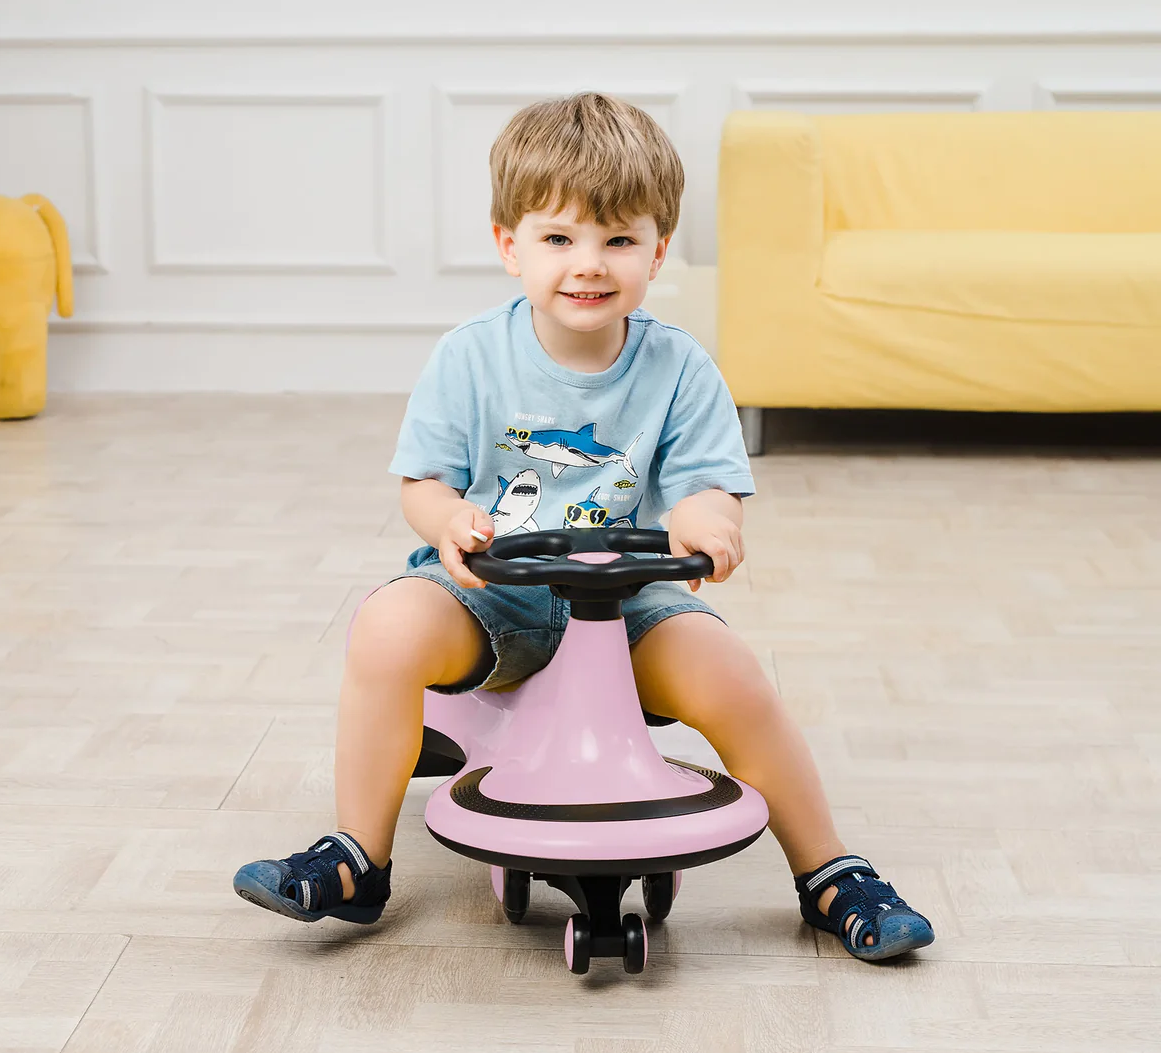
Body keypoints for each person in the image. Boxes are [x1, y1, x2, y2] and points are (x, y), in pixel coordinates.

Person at [233, 92, 934, 960]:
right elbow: (422, 483)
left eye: (618, 240)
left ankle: (830, 871)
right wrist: (450, 518)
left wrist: (708, 523)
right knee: (385, 625)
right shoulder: (469, 356)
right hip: (492, 598)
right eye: (560, 239)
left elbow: (708, 487)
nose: (589, 265)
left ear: (658, 250)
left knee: (736, 675)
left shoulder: (680, 367)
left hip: (628, 603)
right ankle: (357, 858)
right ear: (509, 246)